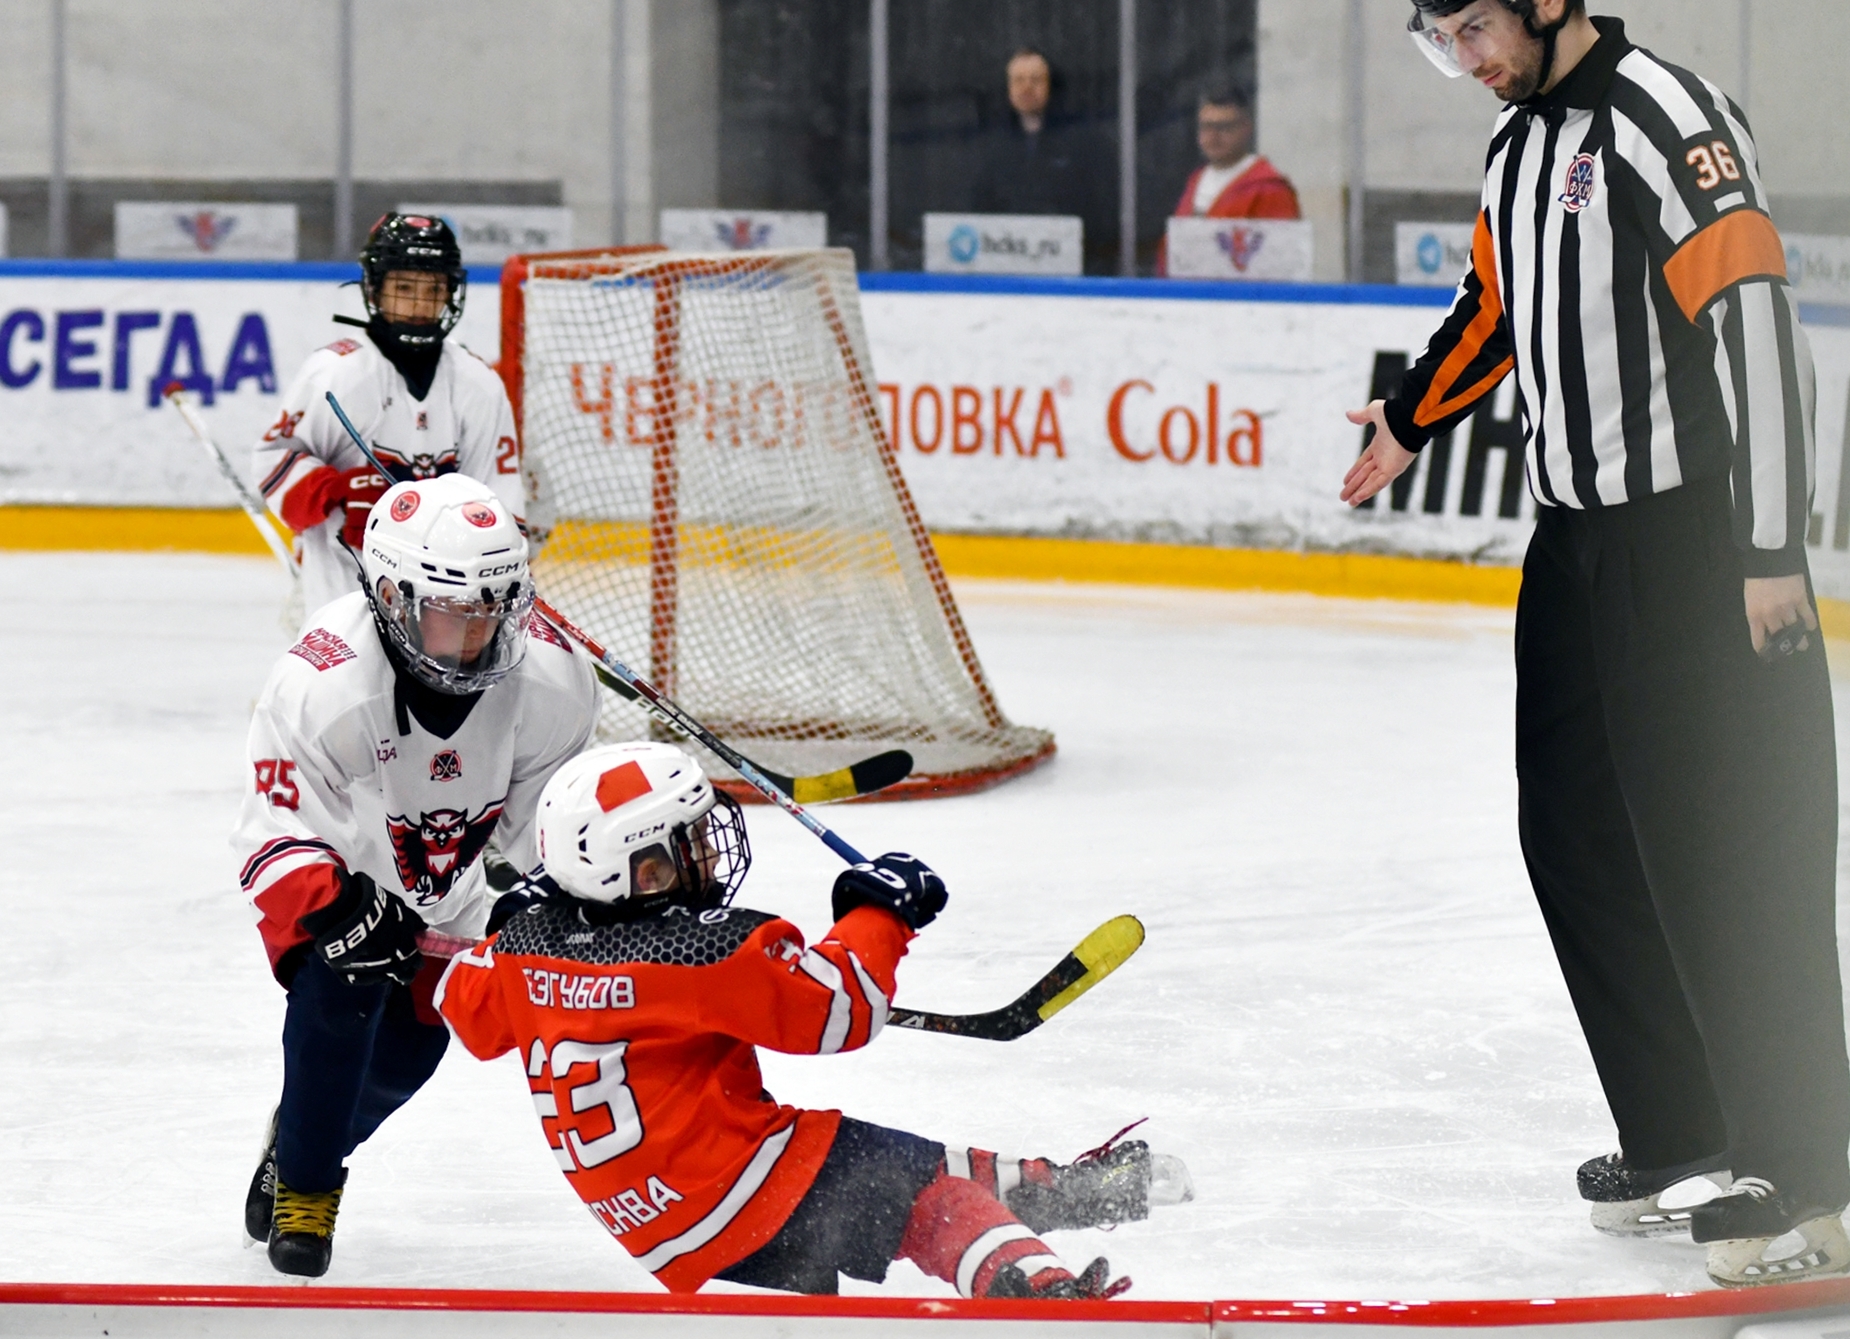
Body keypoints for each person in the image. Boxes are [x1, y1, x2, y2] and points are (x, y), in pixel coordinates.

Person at [1343, 0, 1848, 1289]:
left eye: (1474, 31)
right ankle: (1683, 1128)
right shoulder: (1516, 144)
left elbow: (1752, 324)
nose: (1467, 63)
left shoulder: (1662, 118)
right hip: (1571, 545)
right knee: (1574, 838)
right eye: (1442, 41)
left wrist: (1766, 551)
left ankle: (1808, 1166)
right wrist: (1408, 414)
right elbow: (1495, 303)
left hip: (1693, 541)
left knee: (1727, 855)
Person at [434, 741, 1194, 1299]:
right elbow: (839, 1007)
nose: (708, 854)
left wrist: (519, 918)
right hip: (737, 1186)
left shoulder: (519, 953)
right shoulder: (698, 953)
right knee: (935, 1199)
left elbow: (467, 1011)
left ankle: (1064, 1189)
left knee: (915, 1168)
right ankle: (1042, 1296)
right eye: (687, 845)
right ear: (644, 871)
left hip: (656, 1217)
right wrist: (882, 912)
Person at [232, 473, 598, 1277]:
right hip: (346, 874)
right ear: (393, 599)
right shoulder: (323, 679)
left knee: (411, 1052)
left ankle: (299, 1138)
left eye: (493, 609)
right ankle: (307, 1187)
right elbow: (274, 829)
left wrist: (541, 902)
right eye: (454, 612)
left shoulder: (552, 682)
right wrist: (337, 907)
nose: (479, 632)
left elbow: (545, 830)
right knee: (343, 992)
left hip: (452, 890)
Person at [254, 213, 522, 621]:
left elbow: (500, 498)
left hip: (447, 612)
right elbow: (274, 460)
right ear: (375, 289)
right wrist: (336, 490)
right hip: (343, 598)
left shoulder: (478, 383)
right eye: (404, 287)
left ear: (451, 293)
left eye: (434, 289)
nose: (419, 304)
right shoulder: (337, 373)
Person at [971, 47, 1113, 274]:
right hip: (1005, 267)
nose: (1026, 87)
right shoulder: (993, 146)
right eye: (1018, 80)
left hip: (1069, 270)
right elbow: (981, 209)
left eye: (1035, 80)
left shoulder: (1082, 143)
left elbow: (1100, 214)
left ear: (1051, 86)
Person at [1155, 87, 1300, 277]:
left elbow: (1280, 266)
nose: (1213, 136)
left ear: (1246, 128)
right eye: (1206, 126)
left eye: (1224, 127)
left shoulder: (1269, 188)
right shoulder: (1196, 180)